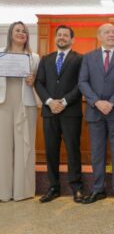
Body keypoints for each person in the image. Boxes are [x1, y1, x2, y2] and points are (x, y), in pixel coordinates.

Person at [78, 23, 114, 208]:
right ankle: (98, 189)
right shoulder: (88, 58)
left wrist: (112, 102)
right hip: (95, 112)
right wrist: (97, 102)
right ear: (99, 36)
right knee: (97, 154)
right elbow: (82, 82)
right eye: (107, 32)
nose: (111, 35)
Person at [35, 25, 84, 203]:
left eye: (65, 35)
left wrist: (63, 102)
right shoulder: (46, 59)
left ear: (72, 39)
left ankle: (77, 188)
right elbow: (39, 83)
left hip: (70, 111)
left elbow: (81, 84)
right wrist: (49, 102)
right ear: (56, 38)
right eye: (59, 35)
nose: (62, 37)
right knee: (51, 151)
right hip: (49, 112)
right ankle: (53, 187)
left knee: (73, 150)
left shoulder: (80, 59)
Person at [0, 21, 40, 202]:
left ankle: (22, 191)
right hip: (4, 102)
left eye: (24, 31)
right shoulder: (0, 53)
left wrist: (33, 80)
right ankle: (3, 192)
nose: (21, 33)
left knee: (26, 147)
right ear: (10, 33)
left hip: (26, 103)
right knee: (3, 147)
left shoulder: (34, 57)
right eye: (17, 30)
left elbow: (39, 83)